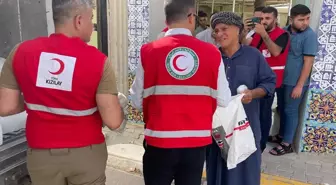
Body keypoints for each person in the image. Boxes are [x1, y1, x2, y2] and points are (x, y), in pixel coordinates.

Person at [0, 1, 125, 185]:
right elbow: (113, 121)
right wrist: (121, 110)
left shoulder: (21, 52)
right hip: (86, 154)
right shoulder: (98, 61)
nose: (93, 25)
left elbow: (6, 107)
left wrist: (36, 99)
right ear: (78, 21)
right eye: (91, 19)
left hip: (41, 155)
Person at [129, 0, 232, 184]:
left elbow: (136, 100)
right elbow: (224, 100)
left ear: (167, 20)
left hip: (158, 143)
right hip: (195, 145)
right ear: (191, 17)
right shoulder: (212, 53)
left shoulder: (149, 51)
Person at [206, 12, 276, 185]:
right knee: (218, 164)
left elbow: (269, 82)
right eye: (216, 30)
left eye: (224, 29)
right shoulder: (211, 57)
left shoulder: (254, 56)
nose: (219, 34)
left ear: (238, 30)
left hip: (246, 125)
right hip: (219, 127)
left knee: (246, 167)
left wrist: (253, 93)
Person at [269, 4, 317, 156]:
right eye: (301, 19)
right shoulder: (284, 32)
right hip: (282, 80)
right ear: (291, 19)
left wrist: (299, 86)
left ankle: (287, 143)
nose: (305, 23)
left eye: (307, 19)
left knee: (290, 111)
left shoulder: (309, 35)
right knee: (281, 109)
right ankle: (282, 136)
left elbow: (308, 62)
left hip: (295, 82)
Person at [243, 6, 290, 152]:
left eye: (267, 18)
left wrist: (264, 35)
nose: (264, 21)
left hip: (269, 83)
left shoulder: (282, 34)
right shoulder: (255, 32)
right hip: (252, 80)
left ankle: (260, 145)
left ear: (275, 19)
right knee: (250, 113)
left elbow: (275, 52)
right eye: (261, 18)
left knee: (263, 115)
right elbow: (244, 45)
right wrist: (244, 30)